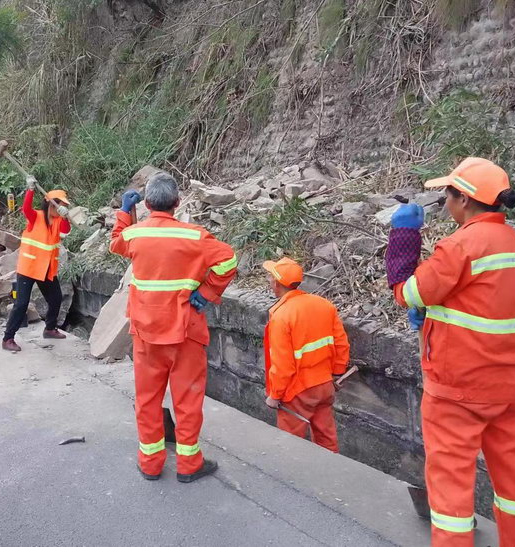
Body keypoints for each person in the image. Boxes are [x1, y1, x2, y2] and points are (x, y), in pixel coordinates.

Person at [385, 157, 515, 546]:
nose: (446, 203)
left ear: (465, 200)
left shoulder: (460, 246)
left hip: (459, 390)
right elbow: (487, 305)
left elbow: (408, 293)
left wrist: (404, 240)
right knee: (513, 475)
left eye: (448, 196)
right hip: (512, 386)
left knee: (451, 481)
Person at [110, 172, 237, 483]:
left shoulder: (135, 235)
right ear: (177, 203)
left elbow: (116, 243)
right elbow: (228, 261)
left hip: (146, 334)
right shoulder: (194, 236)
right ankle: (189, 463)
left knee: (147, 398)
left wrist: (125, 212)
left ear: (149, 203)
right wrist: (206, 293)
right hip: (186, 333)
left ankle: (151, 463)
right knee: (188, 399)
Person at [261, 257, 349, 452]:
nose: (269, 281)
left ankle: (294, 479)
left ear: (276, 283)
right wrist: (337, 372)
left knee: (291, 443)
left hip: (297, 391)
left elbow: (283, 365)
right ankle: (330, 472)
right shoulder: (324, 305)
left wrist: (275, 395)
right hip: (325, 385)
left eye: (270, 278)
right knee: (326, 437)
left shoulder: (281, 316)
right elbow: (341, 343)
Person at [2, 178, 71, 352]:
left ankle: (49, 329)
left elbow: (65, 230)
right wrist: (30, 190)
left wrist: (66, 217)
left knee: (55, 299)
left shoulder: (57, 222)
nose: (63, 208)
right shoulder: (36, 217)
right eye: (61, 205)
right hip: (29, 268)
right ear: (51, 204)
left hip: (46, 269)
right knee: (21, 304)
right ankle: (8, 338)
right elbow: (26, 209)